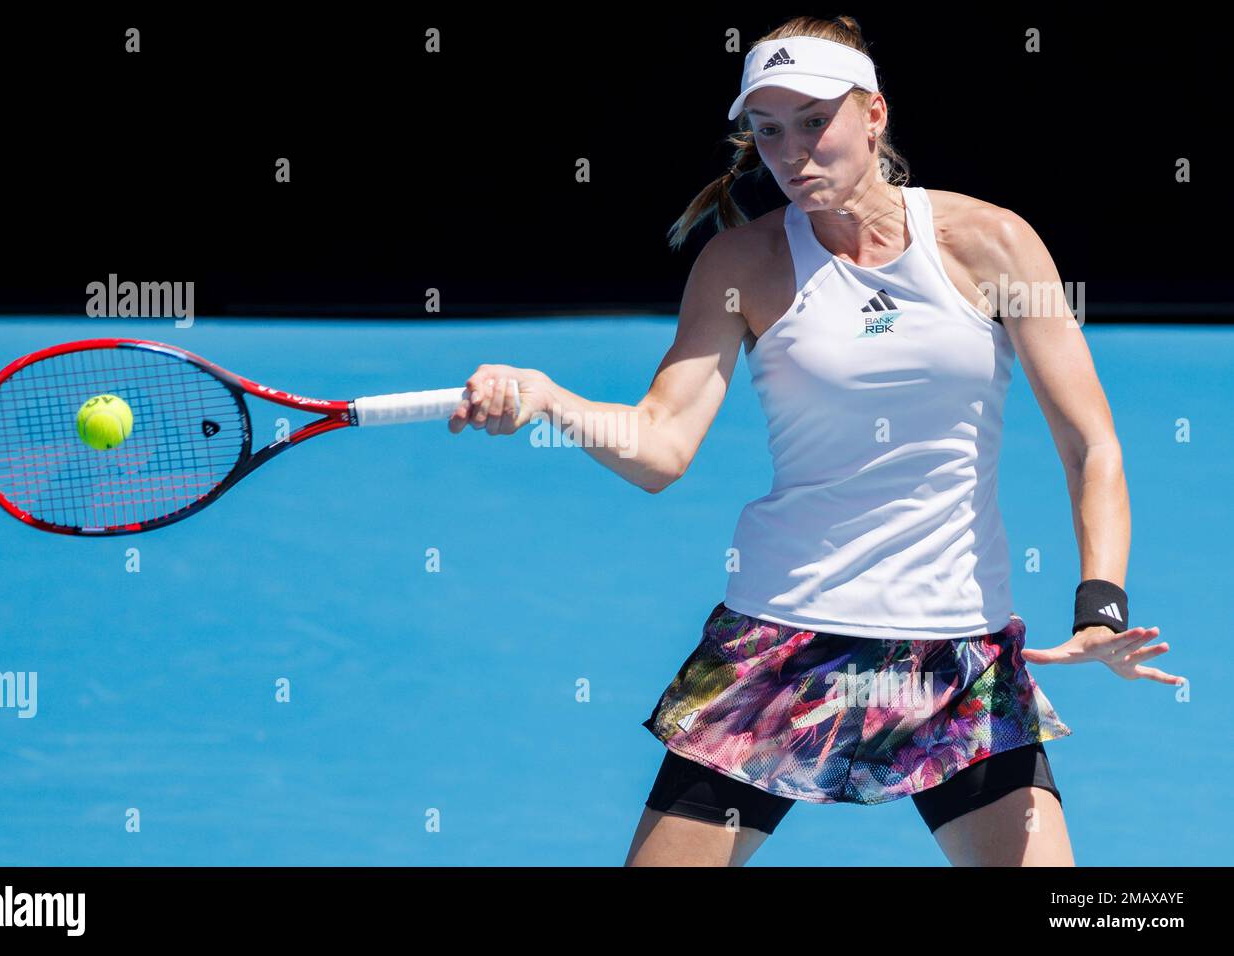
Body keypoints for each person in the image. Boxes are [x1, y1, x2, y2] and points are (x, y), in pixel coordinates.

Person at [446, 15, 1183, 866]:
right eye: (767, 131)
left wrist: (1101, 605)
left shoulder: (991, 242)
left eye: (813, 122)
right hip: (781, 638)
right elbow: (660, 446)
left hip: (954, 653)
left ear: (873, 114)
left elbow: (1091, 444)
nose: (791, 153)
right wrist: (547, 398)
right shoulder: (739, 265)